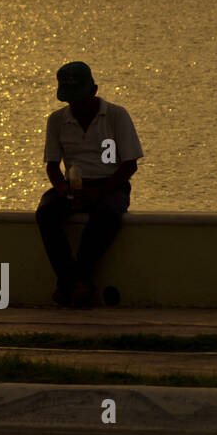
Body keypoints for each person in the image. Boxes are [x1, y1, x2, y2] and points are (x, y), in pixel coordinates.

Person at [35, 61, 143, 308]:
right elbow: (52, 165)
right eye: (71, 100)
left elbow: (129, 165)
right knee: (46, 213)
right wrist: (63, 189)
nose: (76, 106)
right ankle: (77, 282)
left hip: (111, 184)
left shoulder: (117, 116)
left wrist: (98, 193)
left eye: (80, 99)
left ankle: (71, 283)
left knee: (106, 215)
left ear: (94, 90)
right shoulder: (56, 121)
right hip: (73, 186)